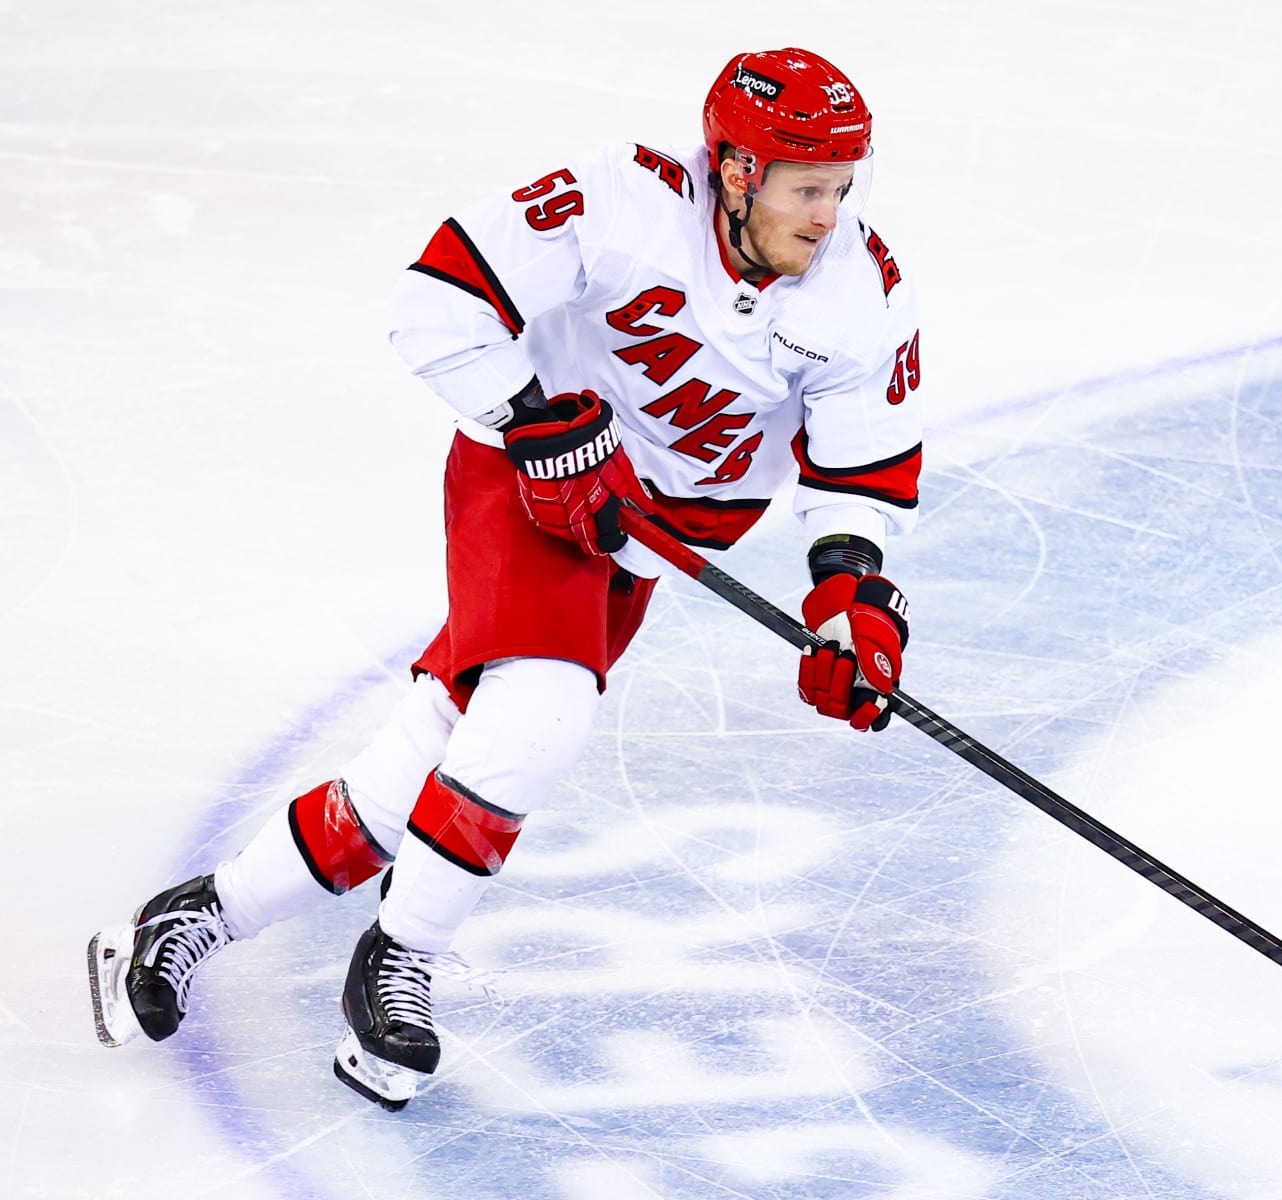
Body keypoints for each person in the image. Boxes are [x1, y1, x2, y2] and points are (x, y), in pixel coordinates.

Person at [86, 47, 923, 1111]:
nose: (830, 213)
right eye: (810, 188)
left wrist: (853, 603)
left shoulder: (859, 290)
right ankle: (401, 959)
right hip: (530, 491)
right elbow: (435, 297)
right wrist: (535, 422)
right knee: (543, 711)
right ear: (738, 171)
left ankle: (191, 919)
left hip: (644, 542)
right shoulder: (623, 200)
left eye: (845, 187)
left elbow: (861, 470)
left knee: (420, 772)